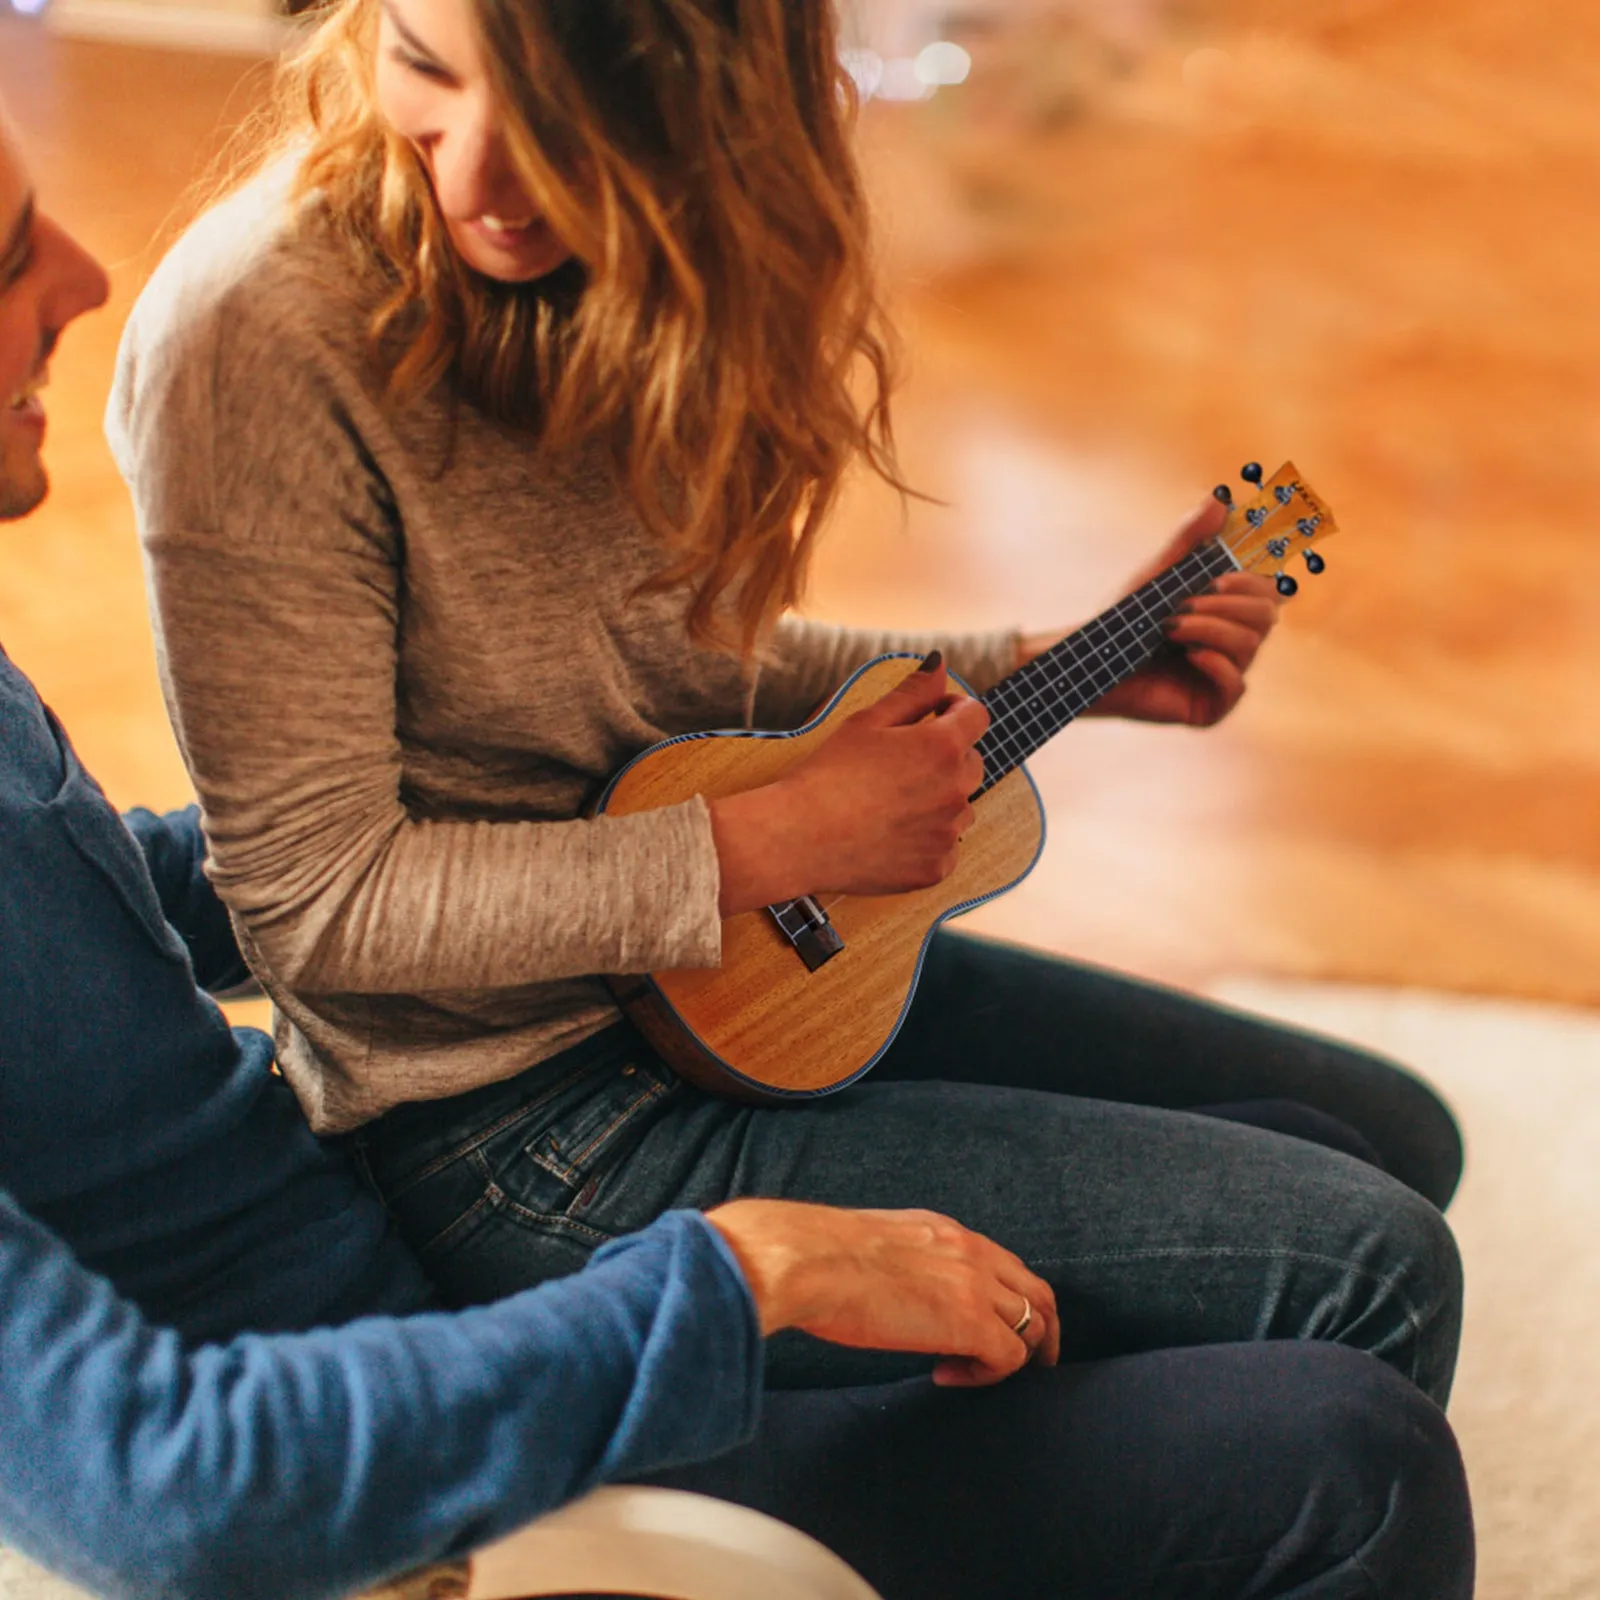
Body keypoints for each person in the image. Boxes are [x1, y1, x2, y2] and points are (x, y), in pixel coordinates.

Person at [0, 91, 1476, 1600]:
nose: (84, 275)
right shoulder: (258, 337)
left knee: (1359, 1160)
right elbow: (169, 1491)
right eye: (3, 260)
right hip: (445, 1404)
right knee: (1358, 1393)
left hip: (432, 1193)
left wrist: (1005, 677)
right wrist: (745, 1274)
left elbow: (155, 898)